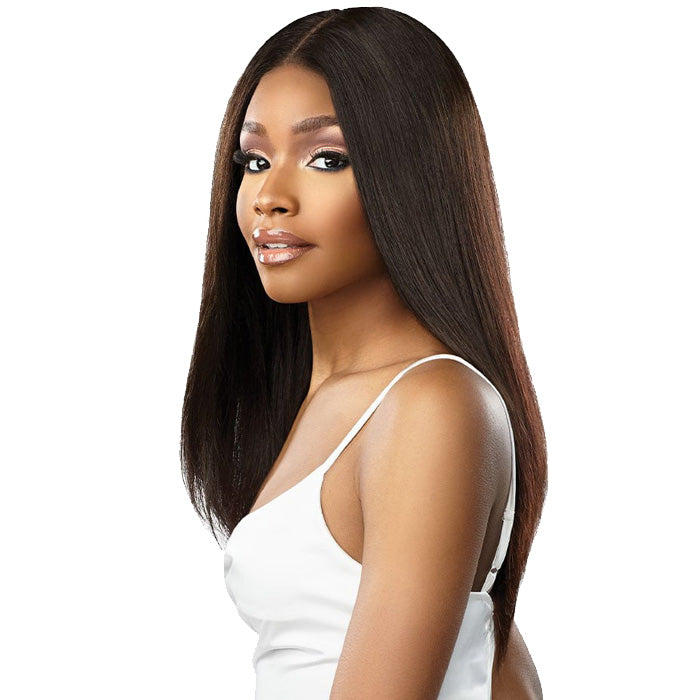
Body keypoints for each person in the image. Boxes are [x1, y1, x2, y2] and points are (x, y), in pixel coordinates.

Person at [181, 8, 547, 699]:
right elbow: (498, 664)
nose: (269, 196)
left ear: (414, 178)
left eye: (326, 158)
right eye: (254, 160)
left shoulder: (430, 404)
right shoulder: (332, 400)